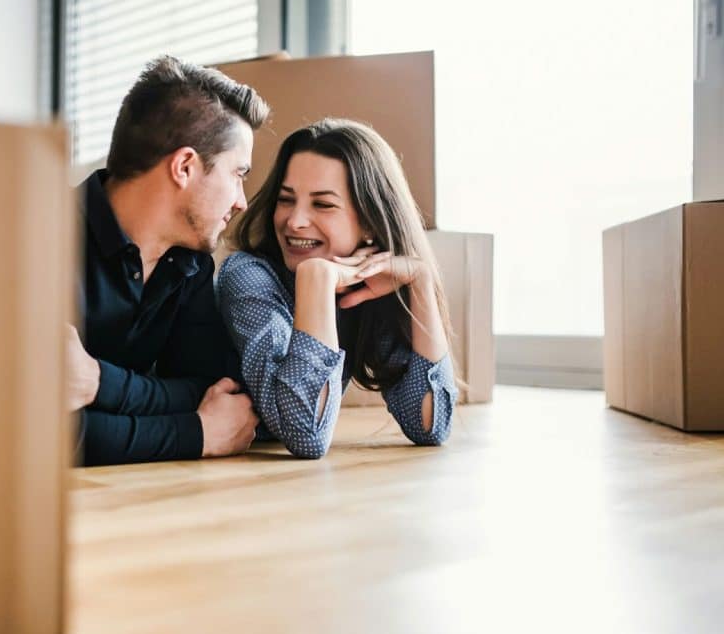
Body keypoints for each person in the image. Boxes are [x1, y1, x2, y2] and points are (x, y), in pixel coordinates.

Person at [68, 56, 269, 466]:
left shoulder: (190, 261)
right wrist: (195, 434)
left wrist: (100, 383)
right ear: (184, 167)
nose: (242, 202)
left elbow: (207, 389)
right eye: (238, 174)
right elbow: (40, 431)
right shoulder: (42, 242)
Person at [216, 118, 458, 459]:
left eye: (323, 204)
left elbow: (431, 426)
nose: (295, 221)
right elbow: (305, 435)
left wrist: (421, 281)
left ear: (370, 222)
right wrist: (316, 278)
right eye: (285, 200)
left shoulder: (367, 286)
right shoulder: (247, 276)